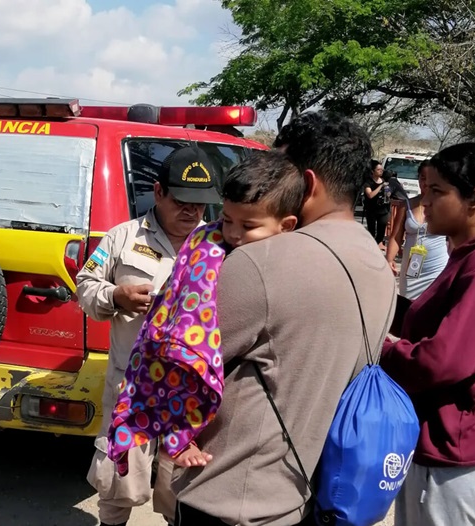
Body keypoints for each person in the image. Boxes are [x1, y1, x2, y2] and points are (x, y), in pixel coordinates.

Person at [170, 112, 396, 525]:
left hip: (228, 491)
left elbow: (184, 358)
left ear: (306, 184)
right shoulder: (376, 261)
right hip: (304, 489)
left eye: (278, 171)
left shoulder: (262, 261)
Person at [107, 150, 304, 473]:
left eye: (247, 226)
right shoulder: (192, 243)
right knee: (121, 489)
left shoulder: (288, 259)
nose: (234, 234)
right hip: (163, 360)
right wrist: (115, 296)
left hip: (231, 394)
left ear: (287, 226)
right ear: (158, 192)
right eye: (227, 221)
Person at [380, 143, 475, 526]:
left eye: (437, 192)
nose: (425, 202)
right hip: (440, 444)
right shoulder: (467, 256)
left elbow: (444, 359)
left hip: (458, 450)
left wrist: (379, 349)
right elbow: (426, 321)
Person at [77, 145, 222, 526]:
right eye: (182, 201)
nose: (191, 211)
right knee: (117, 479)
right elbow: (85, 286)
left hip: (186, 393)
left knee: (181, 485)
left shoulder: (217, 246)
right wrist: (114, 296)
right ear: (158, 192)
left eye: (200, 203)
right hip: (131, 387)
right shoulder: (122, 236)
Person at [385, 161, 449, 299]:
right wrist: (389, 260)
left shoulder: (445, 205)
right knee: (408, 305)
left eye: (430, 178)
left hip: (437, 266)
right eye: (422, 177)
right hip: (411, 267)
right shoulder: (405, 205)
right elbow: (396, 236)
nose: (425, 182)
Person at [363, 159, 391, 248]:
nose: (381, 171)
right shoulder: (368, 182)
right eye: (378, 170)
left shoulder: (384, 180)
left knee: (381, 229)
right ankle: (371, 245)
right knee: (371, 229)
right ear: (373, 171)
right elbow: (370, 195)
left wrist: (388, 192)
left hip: (383, 209)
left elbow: (389, 194)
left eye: (382, 170)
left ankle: (378, 243)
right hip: (371, 209)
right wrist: (380, 186)